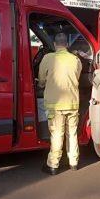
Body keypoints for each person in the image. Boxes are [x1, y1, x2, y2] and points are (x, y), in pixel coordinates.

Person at [37, 33, 82, 175]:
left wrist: (45, 84)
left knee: (57, 134)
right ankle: (73, 162)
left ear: (55, 45)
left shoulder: (48, 58)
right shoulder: (75, 60)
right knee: (72, 133)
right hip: (72, 103)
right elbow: (77, 77)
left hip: (55, 105)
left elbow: (41, 79)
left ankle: (53, 165)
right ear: (67, 44)